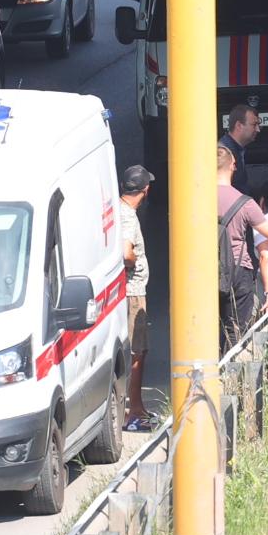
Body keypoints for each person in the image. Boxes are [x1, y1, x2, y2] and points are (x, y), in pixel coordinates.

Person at [213, 145, 268, 352]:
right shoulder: (245, 202)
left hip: (203, 272)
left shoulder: (193, 199)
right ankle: (228, 376)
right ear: (233, 166)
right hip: (237, 271)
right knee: (235, 327)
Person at [117, 165, 156, 432]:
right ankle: (134, 411)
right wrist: (132, 264)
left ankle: (134, 407)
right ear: (145, 190)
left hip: (125, 292)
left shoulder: (116, 208)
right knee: (137, 351)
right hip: (132, 293)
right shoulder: (128, 217)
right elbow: (125, 252)